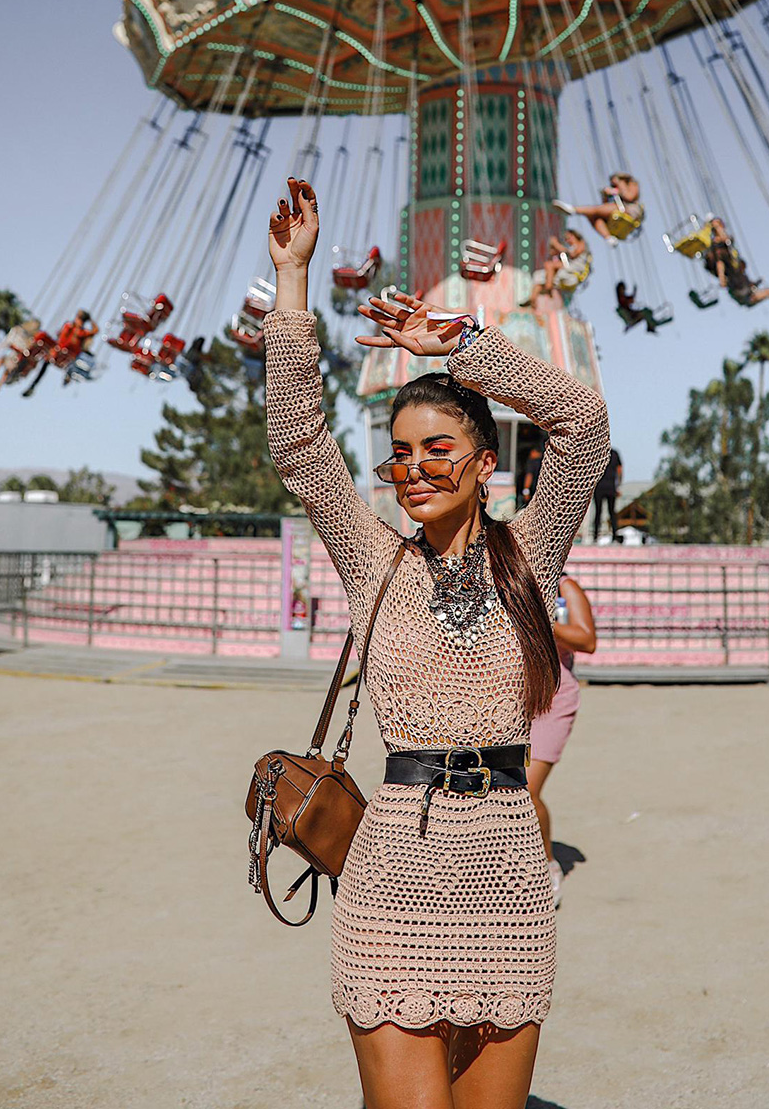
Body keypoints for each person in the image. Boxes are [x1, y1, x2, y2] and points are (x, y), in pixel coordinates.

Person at [264, 177, 609, 1109]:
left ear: (486, 462)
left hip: (504, 869)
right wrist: (293, 281)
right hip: (394, 873)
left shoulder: (531, 553)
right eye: (399, 453)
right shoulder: (373, 558)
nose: (413, 470)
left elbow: (582, 428)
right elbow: (300, 443)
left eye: (437, 448)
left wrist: (462, 346)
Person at [527, 572, 596, 908]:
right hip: (508, 693)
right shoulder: (507, 575)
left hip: (554, 697)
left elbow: (586, 639)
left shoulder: (565, 587)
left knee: (527, 790)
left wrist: (537, 620)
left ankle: (548, 864)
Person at [704, 220, 769, 316]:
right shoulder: (717, 248)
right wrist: (721, 277)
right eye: (718, 226)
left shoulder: (728, 245)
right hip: (743, 294)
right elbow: (719, 262)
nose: (721, 228)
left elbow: (727, 240)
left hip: (745, 289)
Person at [553, 172, 642, 246]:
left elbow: (629, 197)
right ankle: (609, 238)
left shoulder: (631, 184)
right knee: (593, 216)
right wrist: (605, 195)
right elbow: (604, 207)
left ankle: (573, 210)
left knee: (595, 210)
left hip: (630, 211)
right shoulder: (617, 193)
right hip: (616, 212)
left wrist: (618, 186)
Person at [0, 319, 41, 390]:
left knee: (4, 365)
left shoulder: (31, 340)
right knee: (1, 362)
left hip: (17, 359)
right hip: (14, 357)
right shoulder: (18, 332)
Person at [535, 228, 591, 295]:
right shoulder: (570, 248)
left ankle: (548, 288)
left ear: (574, 235)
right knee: (538, 275)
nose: (567, 241)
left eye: (568, 237)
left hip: (574, 271)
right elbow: (562, 257)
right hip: (567, 268)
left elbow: (573, 254)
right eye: (566, 239)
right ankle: (532, 298)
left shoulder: (581, 243)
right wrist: (554, 249)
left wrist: (557, 245)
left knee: (549, 265)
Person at [593, 447, 622, 542]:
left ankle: (595, 535)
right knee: (611, 512)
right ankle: (614, 535)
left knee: (598, 512)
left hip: (600, 486)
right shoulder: (614, 453)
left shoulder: (597, 453)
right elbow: (619, 471)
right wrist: (618, 485)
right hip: (610, 487)